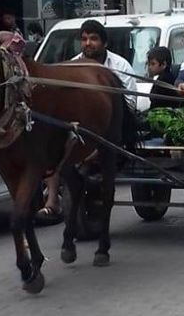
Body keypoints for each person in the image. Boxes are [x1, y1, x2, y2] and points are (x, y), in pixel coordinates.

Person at [36, 19, 139, 223]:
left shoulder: (119, 65)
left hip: (110, 127)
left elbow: (130, 103)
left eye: (93, 39)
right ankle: (52, 201)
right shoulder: (73, 67)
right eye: (84, 39)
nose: (88, 43)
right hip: (77, 127)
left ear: (104, 43)